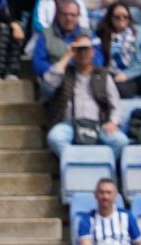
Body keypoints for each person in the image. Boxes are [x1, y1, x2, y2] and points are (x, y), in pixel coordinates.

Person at [44, 33, 129, 162]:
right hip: (70, 124)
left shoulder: (103, 74)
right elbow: (49, 82)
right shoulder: (66, 72)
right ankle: (76, 164)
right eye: (79, 49)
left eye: (86, 49)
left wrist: (113, 122)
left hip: (98, 125)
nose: (83, 53)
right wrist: (68, 56)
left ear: (92, 52)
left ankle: (99, 165)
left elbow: (115, 104)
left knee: (121, 141)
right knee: (55, 138)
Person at [97, 3, 141, 114]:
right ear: (110, 18)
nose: (122, 19)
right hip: (118, 74)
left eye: (125, 16)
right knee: (118, 91)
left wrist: (128, 74)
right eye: (117, 17)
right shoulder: (104, 35)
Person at [34, 0, 85, 96]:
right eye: (65, 15)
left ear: (78, 16)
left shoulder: (88, 35)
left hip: (83, 78)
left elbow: (98, 60)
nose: (68, 18)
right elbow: (39, 63)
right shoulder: (45, 35)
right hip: (56, 80)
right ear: (58, 15)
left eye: (73, 15)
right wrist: (59, 73)